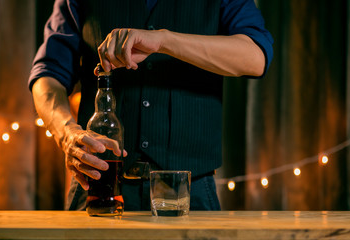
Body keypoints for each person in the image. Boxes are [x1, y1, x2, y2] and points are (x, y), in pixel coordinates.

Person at [29, 0, 273, 211]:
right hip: (97, 186)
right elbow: (47, 74)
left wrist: (164, 41)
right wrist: (67, 134)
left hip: (190, 194)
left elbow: (256, 57)